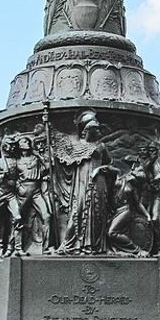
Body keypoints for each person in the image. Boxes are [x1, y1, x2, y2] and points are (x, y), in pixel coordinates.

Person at [56, 109, 117, 254]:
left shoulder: (101, 146)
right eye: (93, 129)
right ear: (85, 130)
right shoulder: (76, 146)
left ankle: (93, 246)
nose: (96, 132)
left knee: (97, 213)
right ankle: (70, 245)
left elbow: (110, 164)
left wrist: (102, 169)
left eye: (96, 129)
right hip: (81, 182)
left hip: (98, 182)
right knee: (78, 211)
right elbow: (66, 163)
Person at [0, 135, 27, 259]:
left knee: (18, 218)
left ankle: (18, 248)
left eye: (12, 146)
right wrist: (1, 177)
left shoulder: (15, 161)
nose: (12, 148)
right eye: (9, 145)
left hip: (11, 195)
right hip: (0, 195)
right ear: (4, 147)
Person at [16, 137, 53, 253]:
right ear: (19, 146)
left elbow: (48, 167)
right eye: (23, 142)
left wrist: (38, 154)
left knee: (47, 216)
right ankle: (17, 248)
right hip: (24, 190)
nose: (26, 143)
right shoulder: (16, 161)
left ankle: (46, 247)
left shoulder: (35, 158)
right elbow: (12, 177)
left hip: (36, 190)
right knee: (18, 219)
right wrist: (18, 187)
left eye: (27, 141)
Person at [107, 166, 151, 257]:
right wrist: (98, 170)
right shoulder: (120, 175)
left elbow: (138, 204)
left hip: (124, 210)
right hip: (113, 210)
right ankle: (115, 250)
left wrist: (147, 215)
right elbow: (109, 169)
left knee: (112, 232)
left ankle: (137, 250)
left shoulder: (133, 188)